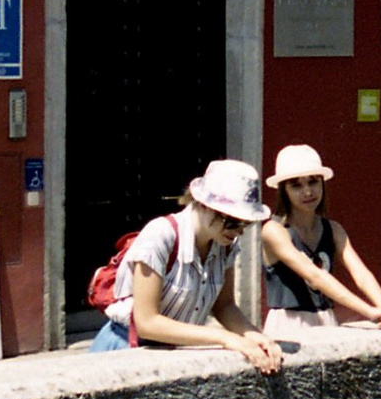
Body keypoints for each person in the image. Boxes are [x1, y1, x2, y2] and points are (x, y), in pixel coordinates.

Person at [91, 159, 283, 374]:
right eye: (233, 221)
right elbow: (147, 321)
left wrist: (254, 336)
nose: (239, 231)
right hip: (126, 349)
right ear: (203, 205)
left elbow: (224, 305)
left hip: (175, 354)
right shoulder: (161, 235)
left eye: (245, 223)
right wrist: (225, 338)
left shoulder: (226, 245)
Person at [261, 144, 381, 333]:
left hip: (326, 319)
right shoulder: (274, 230)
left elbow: (360, 274)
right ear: (283, 190)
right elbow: (315, 275)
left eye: (313, 182)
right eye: (296, 185)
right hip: (288, 324)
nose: (307, 192)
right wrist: (370, 311)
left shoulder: (334, 229)